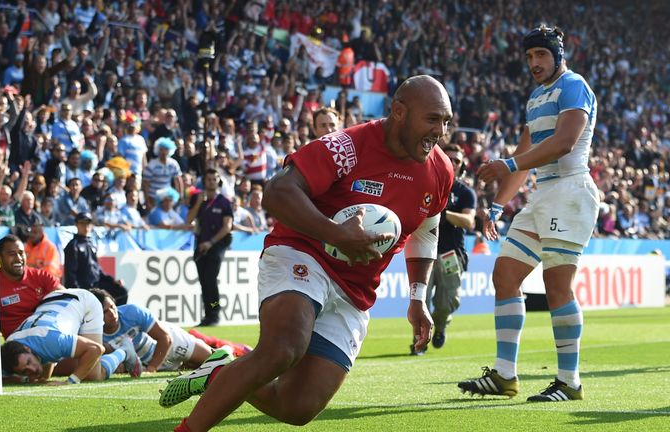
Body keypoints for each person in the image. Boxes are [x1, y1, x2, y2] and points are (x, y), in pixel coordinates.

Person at [160, 75, 454, 431]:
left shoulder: (440, 170)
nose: (441, 131)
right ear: (399, 112)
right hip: (303, 253)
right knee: (284, 349)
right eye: (433, 119)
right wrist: (336, 234)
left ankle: (220, 365)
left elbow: (426, 229)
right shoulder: (347, 146)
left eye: (446, 121)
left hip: (354, 292)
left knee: (297, 408)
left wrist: (417, 297)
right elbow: (277, 192)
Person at [458, 26, 599, 403]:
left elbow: (564, 143)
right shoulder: (536, 96)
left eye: (540, 55)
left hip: (571, 190)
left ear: (557, 55)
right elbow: (523, 159)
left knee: (557, 288)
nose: (534, 63)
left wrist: (508, 162)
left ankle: (570, 382)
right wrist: (497, 204)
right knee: (504, 275)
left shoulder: (574, 85)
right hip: (544, 194)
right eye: (529, 57)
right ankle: (505, 376)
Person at [410, 144, 476, 355]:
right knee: (421, 297)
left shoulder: (465, 192)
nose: (453, 163)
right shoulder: (424, 184)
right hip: (423, 251)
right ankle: (418, 341)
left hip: (450, 254)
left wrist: (441, 212)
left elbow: (469, 221)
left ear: (462, 166)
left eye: (457, 160)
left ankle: (440, 326)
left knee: (448, 301)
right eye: (449, 158)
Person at [89, 288, 251, 374]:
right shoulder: (92, 332)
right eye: (105, 311)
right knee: (199, 370)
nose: (112, 314)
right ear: (96, 314)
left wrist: (152, 369)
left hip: (172, 344)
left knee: (219, 363)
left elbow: (165, 338)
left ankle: (242, 353)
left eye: (113, 307)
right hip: (150, 362)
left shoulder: (132, 312)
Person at [0, 234, 64, 375]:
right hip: (19, 351)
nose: (18, 258)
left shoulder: (41, 277)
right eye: (12, 254)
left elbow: (68, 302)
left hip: (49, 340)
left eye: (21, 253)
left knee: (89, 364)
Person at [1, 288, 141, 384]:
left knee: (92, 376)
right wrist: (29, 379)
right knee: (42, 375)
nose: (32, 370)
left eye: (29, 363)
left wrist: (70, 381)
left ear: (27, 349)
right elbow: (1, 377)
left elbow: (96, 349)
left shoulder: (51, 341)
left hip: (85, 302)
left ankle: (124, 350)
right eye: (25, 371)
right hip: (51, 299)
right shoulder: (9, 348)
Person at [186, 169, 233, 327]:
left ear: (218, 181)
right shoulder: (198, 199)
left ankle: (214, 312)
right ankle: (208, 314)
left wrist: (211, 242)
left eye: (214, 179)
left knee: (210, 280)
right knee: (204, 282)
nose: (211, 182)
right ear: (204, 182)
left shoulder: (224, 202)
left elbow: (227, 227)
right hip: (200, 246)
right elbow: (189, 220)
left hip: (216, 245)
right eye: (209, 179)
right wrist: (199, 202)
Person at [63, 212, 129, 305]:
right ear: (76, 224)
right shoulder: (73, 246)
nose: (86, 226)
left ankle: (115, 318)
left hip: (97, 286)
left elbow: (98, 271)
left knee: (121, 292)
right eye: (82, 223)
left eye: (88, 223)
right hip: (85, 289)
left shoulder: (91, 244)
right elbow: (70, 276)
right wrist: (78, 294)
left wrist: (112, 280)